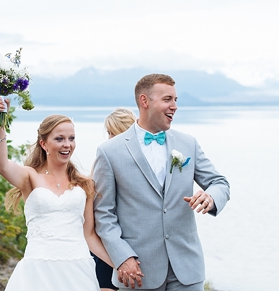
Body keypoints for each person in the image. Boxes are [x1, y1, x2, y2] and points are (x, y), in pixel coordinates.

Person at [93, 74, 230, 290]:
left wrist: (210, 196)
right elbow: (103, 214)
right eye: (168, 99)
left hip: (187, 269)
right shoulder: (109, 152)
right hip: (137, 272)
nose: (174, 106)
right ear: (144, 101)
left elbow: (219, 182)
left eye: (176, 100)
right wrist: (121, 257)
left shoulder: (188, 143)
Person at [0, 96, 113, 290]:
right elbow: (1, 165)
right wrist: (0, 121)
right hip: (37, 271)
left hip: (78, 270)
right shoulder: (29, 177)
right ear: (44, 144)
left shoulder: (84, 184)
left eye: (71, 138)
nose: (67, 144)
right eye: (59, 139)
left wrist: (119, 265)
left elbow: (89, 235)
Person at [93, 107, 137, 291]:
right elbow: (100, 210)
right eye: (109, 133)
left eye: (112, 133)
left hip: (137, 246)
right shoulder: (106, 158)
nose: (109, 139)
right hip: (108, 246)